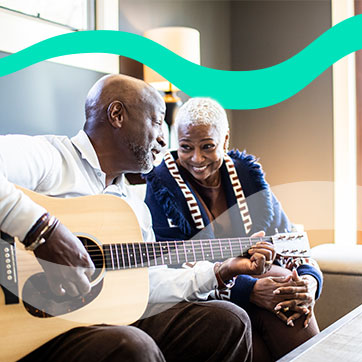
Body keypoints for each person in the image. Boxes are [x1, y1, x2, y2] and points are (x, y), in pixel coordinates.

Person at [0, 75, 276, 362]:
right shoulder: (52, 158)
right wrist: (43, 232)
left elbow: (148, 283)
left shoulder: (132, 203)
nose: (162, 138)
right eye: (157, 122)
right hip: (32, 327)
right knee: (133, 346)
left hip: (99, 319)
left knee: (228, 320)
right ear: (117, 115)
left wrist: (219, 271)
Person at [144, 97, 323, 361]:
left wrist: (308, 282)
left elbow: (290, 242)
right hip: (205, 301)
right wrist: (248, 290)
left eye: (207, 146)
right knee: (275, 296)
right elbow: (170, 265)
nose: (196, 158)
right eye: (185, 147)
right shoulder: (161, 185)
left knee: (288, 297)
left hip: (261, 295)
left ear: (225, 140)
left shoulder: (248, 177)